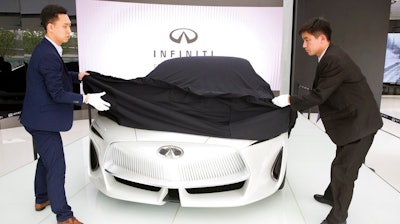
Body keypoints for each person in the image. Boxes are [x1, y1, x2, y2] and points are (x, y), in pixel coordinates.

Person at [272, 17, 383, 224]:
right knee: (342, 164)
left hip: (360, 125)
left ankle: (338, 218)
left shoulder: (334, 59)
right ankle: (332, 196)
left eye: (307, 40)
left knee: (344, 171)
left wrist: (289, 99)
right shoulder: (329, 56)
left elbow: (319, 95)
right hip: (353, 121)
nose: (304, 45)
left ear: (322, 38)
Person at [20, 4, 110, 224]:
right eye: (65, 26)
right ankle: (64, 216)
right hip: (42, 121)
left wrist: (76, 76)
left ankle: (41, 198)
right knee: (57, 166)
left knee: (46, 160)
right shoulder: (48, 54)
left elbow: (54, 77)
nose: (70, 30)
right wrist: (87, 99)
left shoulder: (46, 49)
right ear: (51, 27)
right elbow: (57, 93)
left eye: (70, 26)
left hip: (36, 117)